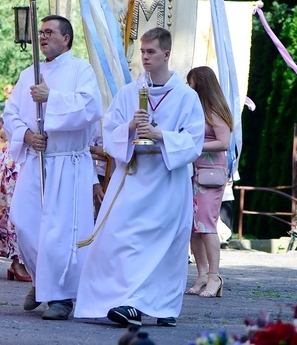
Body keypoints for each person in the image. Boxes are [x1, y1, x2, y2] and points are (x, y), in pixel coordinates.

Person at [74, 27, 205, 328]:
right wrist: (131, 127)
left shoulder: (186, 97)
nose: (144, 58)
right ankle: (124, 302)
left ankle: (162, 305)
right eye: (142, 52)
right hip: (132, 177)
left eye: (151, 52)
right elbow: (109, 133)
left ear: (167, 54)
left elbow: (194, 140)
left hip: (166, 181)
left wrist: (159, 135)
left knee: (164, 245)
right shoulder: (128, 93)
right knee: (122, 238)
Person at [3, 15, 103, 320]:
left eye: (49, 32)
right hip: (37, 159)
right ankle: (41, 278)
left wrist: (52, 98)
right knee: (24, 221)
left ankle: (61, 297)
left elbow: (90, 107)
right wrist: (28, 135)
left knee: (61, 233)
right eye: (41, 32)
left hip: (68, 162)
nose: (42, 37)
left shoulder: (80, 70)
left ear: (66, 39)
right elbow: (11, 115)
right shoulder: (27, 74)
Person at [184, 66, 233, 298]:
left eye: (191, 82)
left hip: (210, 174)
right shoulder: (198, 110)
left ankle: (215, 276)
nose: (188, 87)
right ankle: (202, 274)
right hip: (194, 172)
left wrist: (194, 145)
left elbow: (223, 142)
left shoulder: (213, 111)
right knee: (194, 226)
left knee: (206, 225)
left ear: (201, 84)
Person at [0, 115, 31, 282]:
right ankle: (18, 261)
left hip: (35, 155)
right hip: (18, 157)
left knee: (31, 210)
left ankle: (29, 261)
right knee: (17, 209)